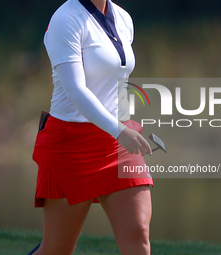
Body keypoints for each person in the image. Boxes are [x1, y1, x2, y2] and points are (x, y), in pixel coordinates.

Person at [30, 0, 154, 254]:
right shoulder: (65, 19)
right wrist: (120, 130)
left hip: (117, 143)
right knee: (57, 249)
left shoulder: (123, 18)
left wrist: (123, 125)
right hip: (71, 143)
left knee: (138, 233)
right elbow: (75, 89)